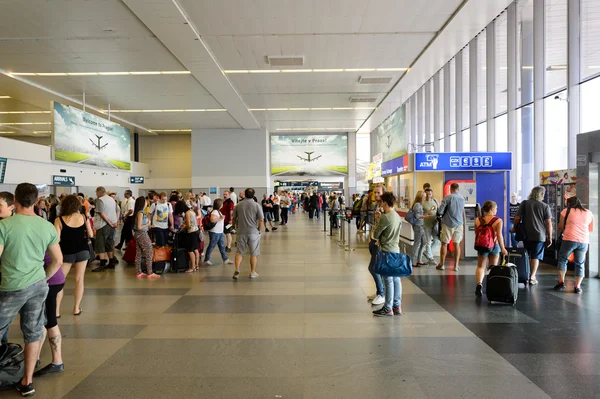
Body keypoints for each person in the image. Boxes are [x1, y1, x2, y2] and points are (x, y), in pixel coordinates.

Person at [0, 183, 63, 397]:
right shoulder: (46, 226)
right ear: (36, 201)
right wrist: (43, 278)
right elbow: (58, 260)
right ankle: (27, 382)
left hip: (11, 286)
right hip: (38, 286)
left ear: (15, 200)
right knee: (33, 332)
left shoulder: (5, 226)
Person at [54, 195, 94, 318]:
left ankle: (56, 311)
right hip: (83, 251)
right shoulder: (83, 217)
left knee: (60, 281)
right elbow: (91, 234)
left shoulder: (59, 220)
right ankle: (76, 308)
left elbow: (56, 239)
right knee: (79, 279)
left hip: (66, 253)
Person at [511, 186, 553, 285]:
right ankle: (532, 277)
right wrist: (550, 237)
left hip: (526, 235)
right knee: (535, 257)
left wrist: (514, 228)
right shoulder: (545, 206)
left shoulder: (524, 203)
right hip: (539, 236)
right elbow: (548, 223)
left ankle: (526, 275)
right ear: (541, 194)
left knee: (527, 255)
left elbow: (517, 218)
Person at [34, 252, 66, 377]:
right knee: (44, 319)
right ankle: (35, 356)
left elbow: (58, 260)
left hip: (50, 281)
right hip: (55, 279)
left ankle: (57, 361)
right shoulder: (47, 232)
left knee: (50, 321)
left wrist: (44, 280)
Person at [372, 191, 403, 317]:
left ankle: (388, 308)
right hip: (396, 249)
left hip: (386, 250)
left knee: (388, 280)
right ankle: (397, 305)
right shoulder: (396, 215)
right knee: (396, 279)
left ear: (385, 202)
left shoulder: (386, 217)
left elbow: (375, 234)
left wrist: (378, 219)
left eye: (382, 201)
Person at [554, 197, 595, 293]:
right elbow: (591, 229)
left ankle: (561, 282)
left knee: (563, 259)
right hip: (583, 241)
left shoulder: (566, 211)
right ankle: (577, 287)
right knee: (580, 263)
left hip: (569, 239)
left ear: (569, 204)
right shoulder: (588, 213)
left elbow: (560, 227)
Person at [474, 201, 508, 297]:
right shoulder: (498, 220)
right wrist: (503, 248)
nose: (496, 210)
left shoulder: (478, 219)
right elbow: (500, 236)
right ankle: (491, 286)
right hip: (495, 245)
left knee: (481, 266)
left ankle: (479, 284)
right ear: (492, 209)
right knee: (492, 267)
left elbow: (477, 233)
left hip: (482, 246)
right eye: (496, 208)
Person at [231, 188, 264, 280]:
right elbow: (261, 219)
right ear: (253, 195)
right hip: (253, 232)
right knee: (253, 253)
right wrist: (258, 229)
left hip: (241, 232)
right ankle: (252, 272)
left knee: (239, 252)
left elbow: (233, 218)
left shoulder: (238, 205)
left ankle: (237, 269)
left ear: (244, 195)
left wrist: (233, 226)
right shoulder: (257, 205)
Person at [436, 183, 466, 272]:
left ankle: (442, 264)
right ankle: (456, 266)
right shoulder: (462, 198)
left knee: (444, 243)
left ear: (450, 189)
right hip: (459, 224)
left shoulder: (447, 198)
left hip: (448, 223)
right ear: (458, 189)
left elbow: (440, 211)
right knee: (457, 244)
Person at [91, 186, 119, 272]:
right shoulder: (111, 199)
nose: (96, 194)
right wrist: (115, 222)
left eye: (96, 192)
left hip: (103, 225)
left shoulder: (100, 200)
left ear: (99, 192)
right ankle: (111, 262)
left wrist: (108, 222)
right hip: (112, 225)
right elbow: (117, 211)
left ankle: (102, 264)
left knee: (100, 244)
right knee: (109, 244)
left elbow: (101, 213)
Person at [132, 196, 160, 279]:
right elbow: (139, 226)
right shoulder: (140, 213)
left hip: (138, 234)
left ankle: (139, 272)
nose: (147, 202)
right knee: (149, 252)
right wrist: (148, 224)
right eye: (145, 201)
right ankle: (150, 272)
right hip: (142, 233)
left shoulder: (139, 212)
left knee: (139, 253)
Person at [367, 185, 385, 306]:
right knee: (375, 267)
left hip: (379, 241)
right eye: (375, 192)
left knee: (373, 267)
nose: (376, 195)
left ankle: (382, 294)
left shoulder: (385, 207)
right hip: (373, 239)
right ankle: (379, 291)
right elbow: (375, 223)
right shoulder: (377, 205)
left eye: (378, 193)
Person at [204, 198, 234, 266]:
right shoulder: (214, 212)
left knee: (222, 246)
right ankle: (206, 259)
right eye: (222, 203)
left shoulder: (218, 211)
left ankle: (225, 259)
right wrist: (220, 218)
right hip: (215, 232)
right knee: (211, 246)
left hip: (219, 232)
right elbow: (212, 220)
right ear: (219, 205)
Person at [410, 191, 431, 267]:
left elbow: (419, 215)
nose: (425, 198)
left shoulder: (419, 205)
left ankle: (419, 259)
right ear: (421, 197)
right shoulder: (417, 205)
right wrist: (424, 217)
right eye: (424, 196)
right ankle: (412, 261)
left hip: (420, 225)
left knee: (424, 242)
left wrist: (424, 215)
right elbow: (417, 216)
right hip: (418, 226)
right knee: (417, 243)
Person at [180, 201, 201, 272]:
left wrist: (183, 227)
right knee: (195, 249)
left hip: (191, 232)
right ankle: (197, 265)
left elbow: (188, 225)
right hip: (196, 231)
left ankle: (192, 267)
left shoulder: (187, 213)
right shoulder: (192, 211)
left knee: (190, 250)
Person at [421, 188, 438, 265]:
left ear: (432, 194)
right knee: (428, 242)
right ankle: (430, 258)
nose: (428, 196)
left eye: (430, 194)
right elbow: (420, 215)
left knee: (436, 240)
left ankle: (427, 252)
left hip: (434, 224)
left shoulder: (435, 202)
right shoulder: (423, 203)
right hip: (426, 225)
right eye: (427, 194)